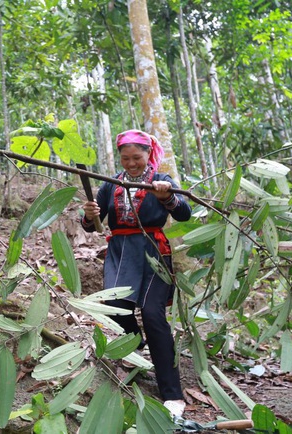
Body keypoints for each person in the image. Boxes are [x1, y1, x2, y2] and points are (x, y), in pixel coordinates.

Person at [81, 129, 191, 418]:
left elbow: (184, 213)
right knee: (115, 307)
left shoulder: (163, 181)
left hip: (153, 250)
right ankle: (135, 344)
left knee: (153, 314)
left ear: (148, 154)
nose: (131, 163)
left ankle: (172, 393)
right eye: (126, 158)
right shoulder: (111, 185)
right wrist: (90, 214)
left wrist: (167, 198)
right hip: (119, 252)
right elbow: (92, 227)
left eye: (137, 158)